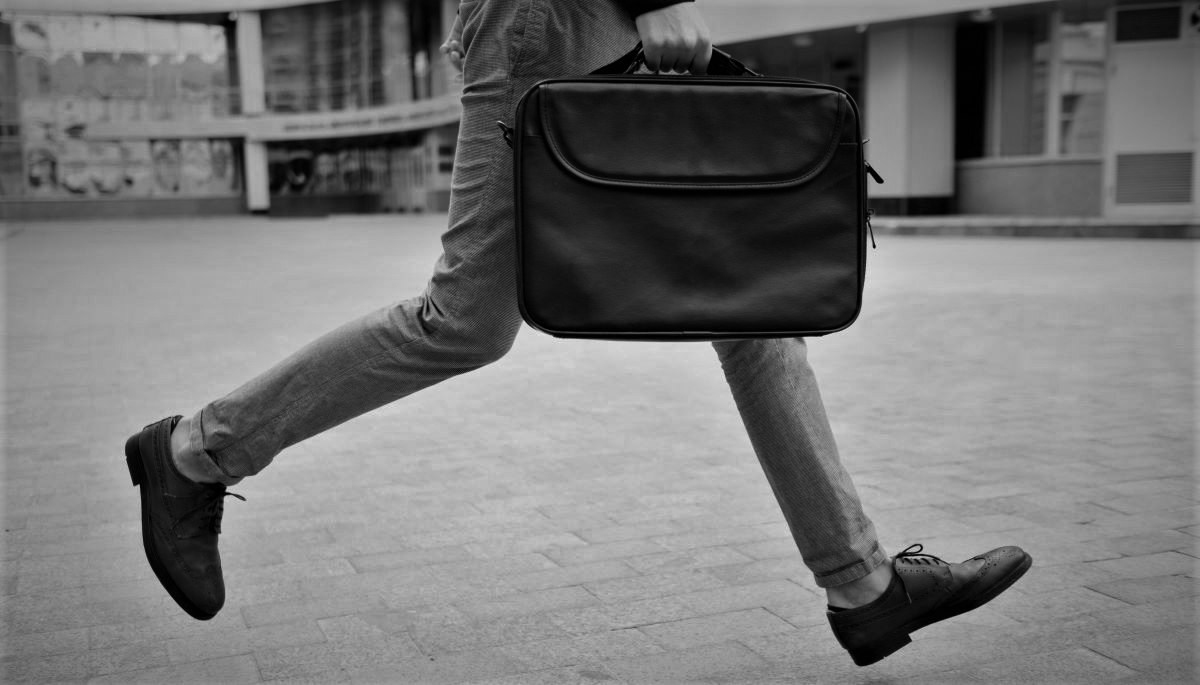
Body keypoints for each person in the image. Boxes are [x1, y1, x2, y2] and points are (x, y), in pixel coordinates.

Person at [124, 0, 1031, 668]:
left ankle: (863, 585)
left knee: (752, 302)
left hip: (585, 19)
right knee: (466, 320)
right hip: (561, 17)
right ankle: (199, 449)